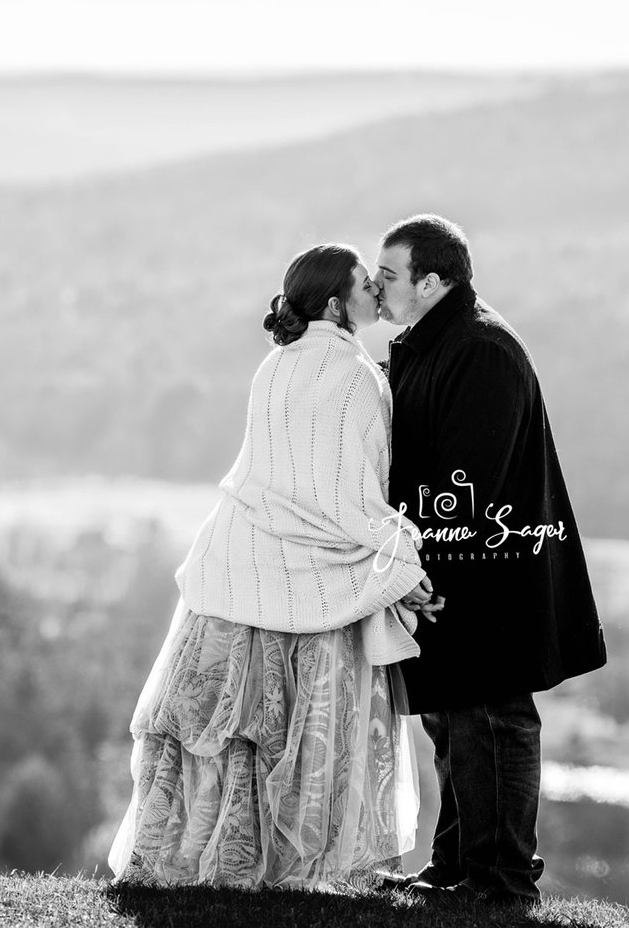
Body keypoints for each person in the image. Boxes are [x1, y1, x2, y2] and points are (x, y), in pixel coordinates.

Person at [108, 243, 444, 889]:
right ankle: (290, 866)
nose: (376, 287)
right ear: (334, 303)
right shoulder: (355, 377)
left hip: (237, 566)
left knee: (230, 729)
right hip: (310, 581)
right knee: (299, 735)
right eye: (364, 282)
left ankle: (198, 860)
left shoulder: (275, 365)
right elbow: (350, 499)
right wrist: (404, 554)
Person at [373, 214, 607, 905]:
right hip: (450, 572)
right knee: (454, 719)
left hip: (489, 576)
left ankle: (500, 881)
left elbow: (465, 481)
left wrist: (419, 560)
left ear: (432, 281)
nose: (374, 286)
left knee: (494, 718)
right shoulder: (431, 342)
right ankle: (454, 869)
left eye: (388, 276)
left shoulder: (481, 350)